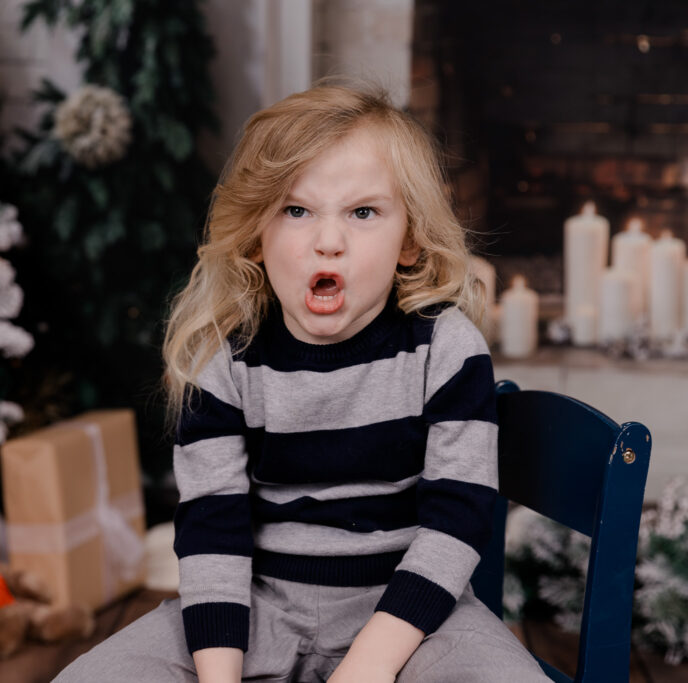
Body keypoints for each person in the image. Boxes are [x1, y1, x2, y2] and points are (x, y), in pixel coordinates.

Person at [55, 84, 548, 682]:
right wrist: (219, 677)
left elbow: (456, 522)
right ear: (258, 235)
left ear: (410, 240)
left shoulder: (445, 350)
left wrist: (369, 664)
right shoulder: (226, 359)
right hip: (256, 607)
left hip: (411, 615)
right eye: (297, 210)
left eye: (363, 213)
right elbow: (213, 534)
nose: (328, 240)